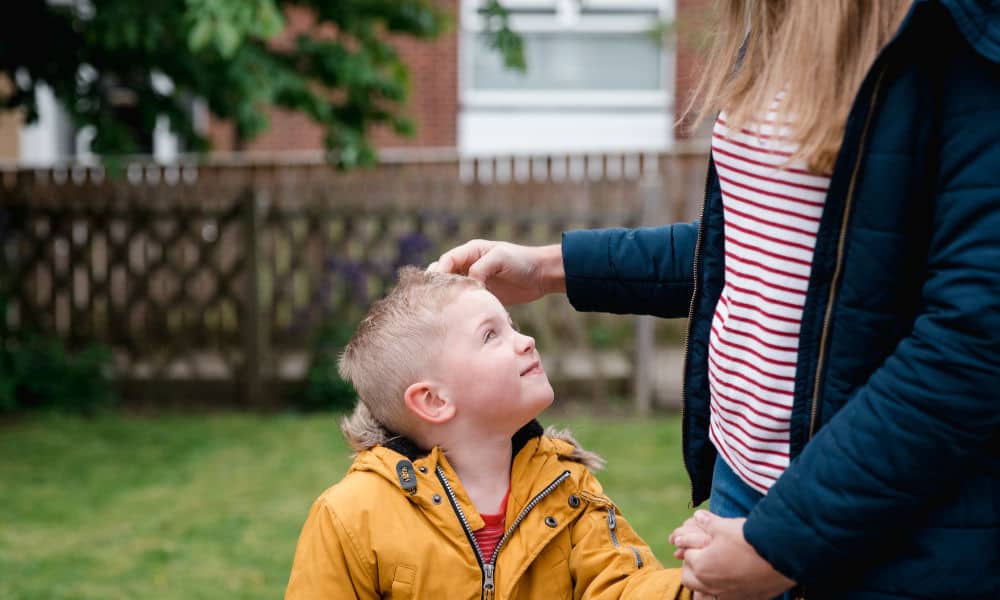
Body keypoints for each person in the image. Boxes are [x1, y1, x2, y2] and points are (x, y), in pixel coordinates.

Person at [429, 0, 1000, 597]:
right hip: (741, 496)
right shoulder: (776, 25)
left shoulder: (962, 37)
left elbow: (968, 348)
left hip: (876, 534)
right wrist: (550, 267)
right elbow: (756, 247)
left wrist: (784, 541)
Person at [284, 267, 693, 599]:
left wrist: (696, 591)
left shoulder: (567, 488)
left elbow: (621, 588)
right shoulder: (352, 516)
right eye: (490, 335)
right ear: (433, 400)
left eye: (511, 325)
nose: (526, 340)